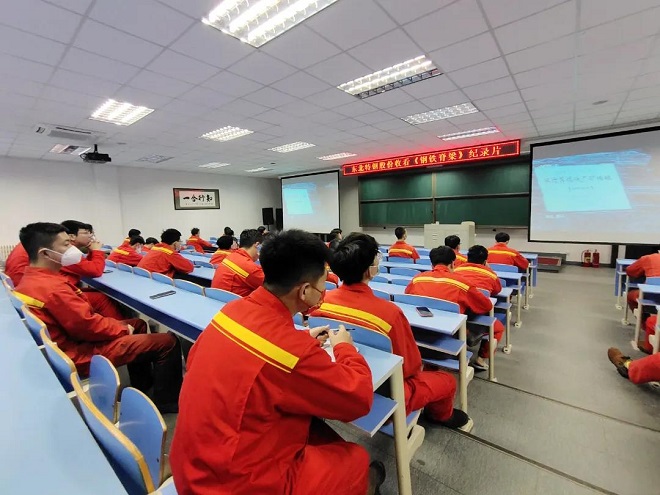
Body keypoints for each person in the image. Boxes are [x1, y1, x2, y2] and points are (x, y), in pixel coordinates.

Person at [170, 229, 384, 495]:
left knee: (312, 428)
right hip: (235, 485)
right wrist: (344, 348)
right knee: (356, 460)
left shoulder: (231, 310)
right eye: (322, 285)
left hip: (191, 463)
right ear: (304, 291)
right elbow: (358, 399)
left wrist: (300, 338)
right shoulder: (294, 352)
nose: (324, 292)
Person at [14, 222, 182, 412]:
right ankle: (166, 402)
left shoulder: (31, 279)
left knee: (138, 324)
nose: (72, 249)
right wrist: (121, 329)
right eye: (66, 245)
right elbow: (88, 327)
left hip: (70, 341)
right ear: (45, 253)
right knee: (167, 342)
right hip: (79, 353)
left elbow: (83, 321)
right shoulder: (53, 288)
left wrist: (121, 327)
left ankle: (143, 384)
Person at [312, 233, 473, 431]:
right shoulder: (390, 313)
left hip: (338, 381)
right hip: (389, 392)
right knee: (447, 381)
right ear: (370, 270)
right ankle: (440, 416)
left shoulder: (321, 302)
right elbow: (411, 366)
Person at [406, 246, 502, 371]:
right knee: (493, 326)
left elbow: (407, 297)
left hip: (414, 339)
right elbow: (486, 306)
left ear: (431, 264)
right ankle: (480, 357)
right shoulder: (461, 283)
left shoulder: (417, 279)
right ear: (453, 263)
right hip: (446, 343)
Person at [59, 220, 124, 320]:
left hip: (66, 289)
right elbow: (95, 271)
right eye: (85, 233)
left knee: (97, 291)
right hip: (64, 294)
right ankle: (121, 325)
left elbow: (86, 266)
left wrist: (91, 251)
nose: (90, 236)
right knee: (101, 298)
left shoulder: (70, 250)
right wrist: (97, 250)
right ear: (72, 236)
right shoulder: (69, 254)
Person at [211, 229, 264, 297]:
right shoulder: (249, 267)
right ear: (257, 245)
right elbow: (273, 286)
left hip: (217, 298)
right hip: (233, 301)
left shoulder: (230, 257)